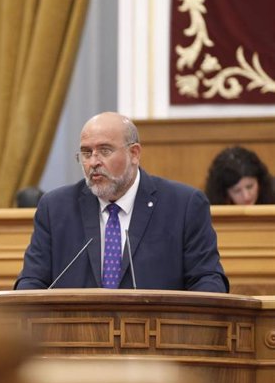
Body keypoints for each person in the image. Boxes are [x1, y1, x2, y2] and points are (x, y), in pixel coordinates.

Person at [14, 112, 228, 292]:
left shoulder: (184, 205)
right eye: (86, 153)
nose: (93, 162)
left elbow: (208, 281)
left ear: (134, 153)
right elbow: (31, 282)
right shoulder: (55, 208)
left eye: (105, 151)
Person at [204, 146, 275, 205]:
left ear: (259, 182)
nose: (246, 196)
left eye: (250, 187)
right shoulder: (209, 211)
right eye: (237, 191)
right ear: (223, 192)